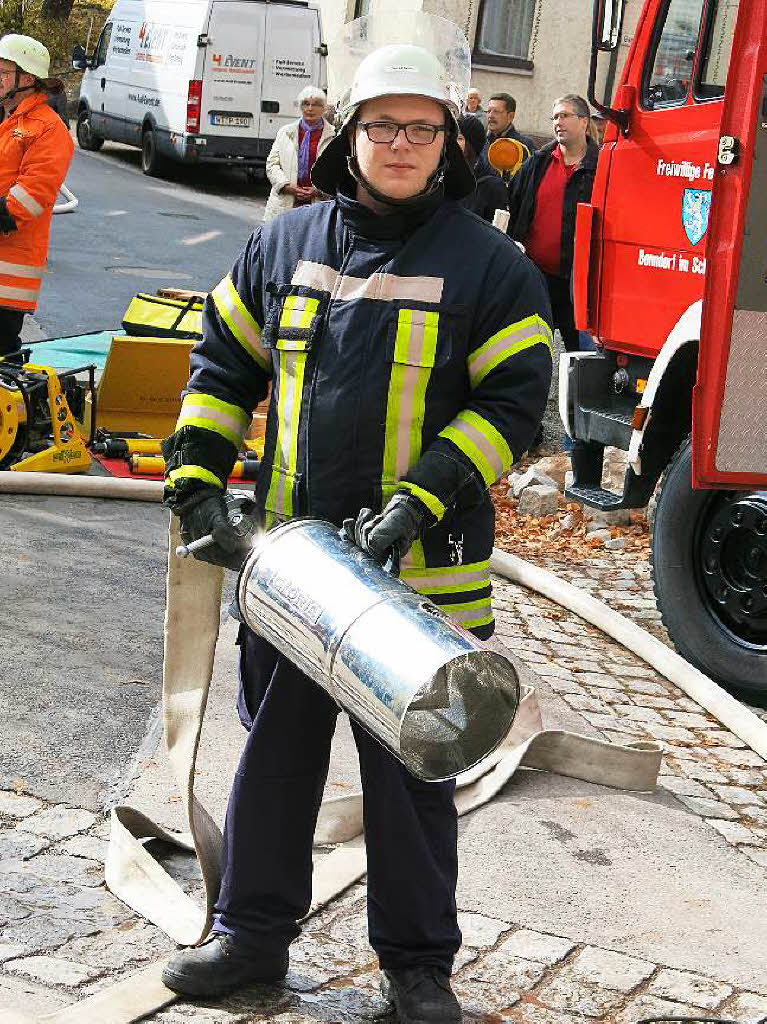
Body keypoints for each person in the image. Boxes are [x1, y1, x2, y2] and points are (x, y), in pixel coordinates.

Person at [160, 18, 552, 1024]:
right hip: (298, 576)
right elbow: (221, 366)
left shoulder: (489, 269)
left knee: (413, 781)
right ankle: (249, 942)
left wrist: (417, 500)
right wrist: (197, 474)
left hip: (424, 580)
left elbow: (513, 406)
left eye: (421, 128)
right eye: (382, 126)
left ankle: (417, 972)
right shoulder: (284, 242)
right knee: (275, 763)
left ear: (449, 144)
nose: (400, 143)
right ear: (350, 137)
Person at [0, 34, 73, 360]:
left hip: (8, 275)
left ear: (26, 79)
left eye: (3, 71)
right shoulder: (6, 119)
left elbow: (29, 198)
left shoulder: (48, 129)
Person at [507, 93, 598, 354]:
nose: (558, 122)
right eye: (555, 116)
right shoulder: (538, 162)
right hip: (536, 276)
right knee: (531, 348)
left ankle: (573, 396)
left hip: (577, 280)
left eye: (565, 115)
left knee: (578, 356)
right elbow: (512, 204)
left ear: (583, 121)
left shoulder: (601, 166)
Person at [263, 86, 334, 222]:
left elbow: (337, 171)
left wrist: (318, 191)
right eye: (306, 104)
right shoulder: (285, 132)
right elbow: (272, 164)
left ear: (324, 108)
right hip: (285, 204)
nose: (310, 108)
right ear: (300, 107)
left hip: (318, 206)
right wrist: (286, 186)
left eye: (316, 104)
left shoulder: (333, 136)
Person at [457, 114, 507, 222]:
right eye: (449, 137)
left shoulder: (491, 186)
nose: (451, 143)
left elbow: (497, 232)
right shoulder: (439, 176)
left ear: (472, 145)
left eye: (459, 138)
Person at [477, 92, 535, 177]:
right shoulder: (482, 142)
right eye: (488, 111)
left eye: (496, 111)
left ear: (510, 116)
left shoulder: (523, 146)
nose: (490, 116)